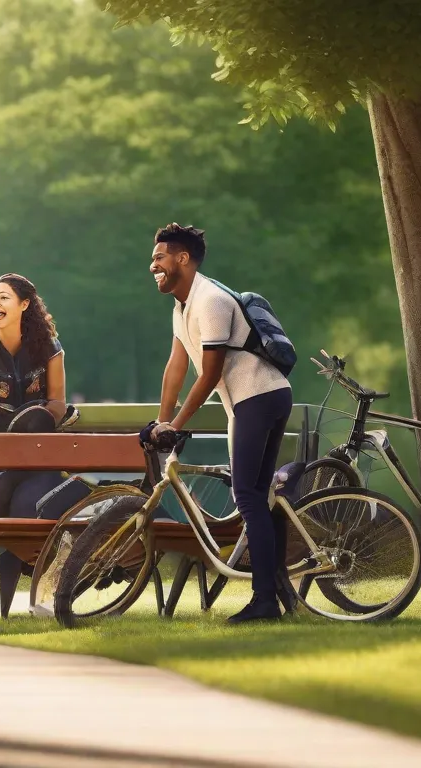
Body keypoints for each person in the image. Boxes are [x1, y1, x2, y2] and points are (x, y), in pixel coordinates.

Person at [148, 222, 293, 624]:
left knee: (247, 496)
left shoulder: (210, 301)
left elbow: (208, 374)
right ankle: (277, 592)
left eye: (160, 257)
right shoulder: (183, 306)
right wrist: (162, 421)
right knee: (258, 498)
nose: (153, 265)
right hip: (252, 400)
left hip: (259, 396)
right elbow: (176, 368)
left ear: (183, 259)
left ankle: (265, 602)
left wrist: (176, 424)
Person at [0, 273, 72, 519]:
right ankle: (4, 489)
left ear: (24, 304)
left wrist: (39, 419)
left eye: (4, 298)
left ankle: (1, 494)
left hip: (38, 450)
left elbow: (57, 403)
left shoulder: (50, 347)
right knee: (24, 495)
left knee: (38, 419)